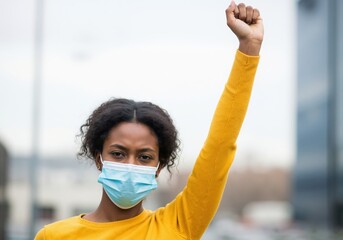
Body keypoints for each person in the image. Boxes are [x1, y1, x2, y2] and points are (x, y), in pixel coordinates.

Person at [35, 1, 263, 239]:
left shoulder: (178, 225)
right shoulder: (53, 235)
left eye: (144, 157)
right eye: (118, 153)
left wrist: (249, 47)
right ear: (98, 158)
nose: (131, 165)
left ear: (158, 167)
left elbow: (220, 144)